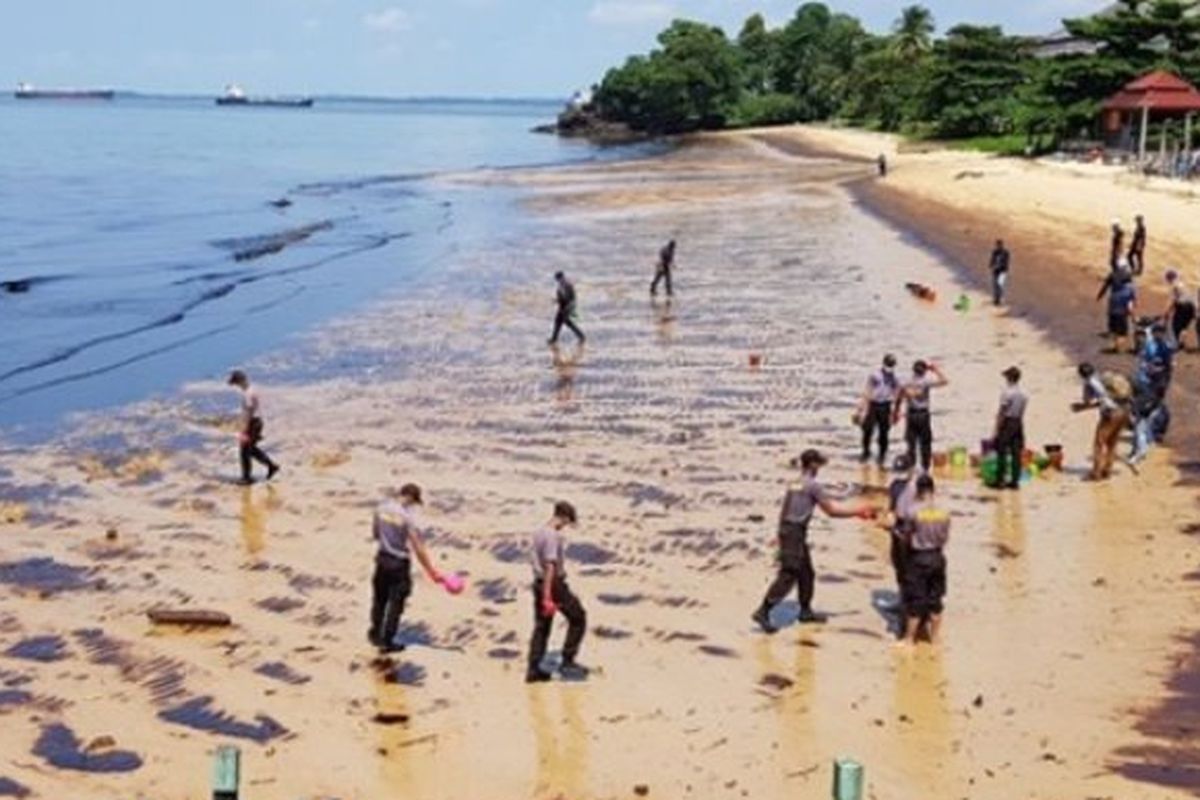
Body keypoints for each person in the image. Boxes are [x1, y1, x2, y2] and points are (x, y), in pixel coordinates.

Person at [751, 449, 876, 633]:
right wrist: (857, 512)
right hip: (795, 532)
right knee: (789, 574)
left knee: (807, 573)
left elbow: (785, 508)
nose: (820, 468)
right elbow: (831, 511)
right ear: (813, 465)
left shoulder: (794, 483)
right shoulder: (813, 486)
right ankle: (764, 610)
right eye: (819, 464)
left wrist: (779, 534)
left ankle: (805, 611)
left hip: (789, 530)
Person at [369, 483, 446, 654]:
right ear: (411, 497)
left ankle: (375, 634)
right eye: (414, 503)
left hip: (382, 558)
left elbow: (375, 534)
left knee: (379, 598)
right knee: (396, 602)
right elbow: (418, 547)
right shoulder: (407, 518)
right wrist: (431, 571)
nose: (413, 506)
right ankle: (388, 641)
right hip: (398, 562)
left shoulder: (381, 509)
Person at [527, 501, 589, 683]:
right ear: (563, 517)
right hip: (553, 584)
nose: (565, 527)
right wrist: (548, 596)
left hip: (538, 583)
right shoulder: (552, 536)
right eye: (567, 522)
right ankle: (568, 660)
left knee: (542, 627)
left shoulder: (538, 532)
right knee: (578, 617)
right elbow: (550, 566)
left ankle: (534, 669)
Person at [900, 475, 950, 646]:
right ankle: (935, 638)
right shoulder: (944, 511)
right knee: (936, 600)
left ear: (918, 491)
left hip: (919, 557)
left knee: (916, 600)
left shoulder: (913, 511)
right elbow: (945, 536)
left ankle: (909, 639)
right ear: (933, 490)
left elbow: (907, 535)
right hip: (938, 556)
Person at [1072, 363, 1133, 481]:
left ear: (1081, 375)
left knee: (1098, 444)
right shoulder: (1104, 378)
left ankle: (1096, 474)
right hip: (1124, 411)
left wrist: (1080, 407)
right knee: (1112, 443)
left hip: (1111, 415)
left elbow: (1089, 402)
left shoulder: (1089, 383)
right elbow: (1105, 399)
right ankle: (1107, 471)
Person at [894, 360, 949, 473]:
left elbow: (899, 397)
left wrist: (896, 412)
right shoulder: (925, 381)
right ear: (924, 371)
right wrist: (935, 370)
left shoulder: (906, 381)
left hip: (911, 414)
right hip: (923, 415)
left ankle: (910, 468)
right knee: (925, 443)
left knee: (911, 443)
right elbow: (944, 381)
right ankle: (925, 469)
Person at [228, 370, 279, 485]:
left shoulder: (247, 394)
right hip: (258, 422)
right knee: (251, 450)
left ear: (240, 381)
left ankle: (246, 478)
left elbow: (248, 412)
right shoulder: (253, 389)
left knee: (244, 451)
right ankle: (271, 466)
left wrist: (244, 430)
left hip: (252, 423)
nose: (236, 386)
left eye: (236, 383)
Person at [885, 454, 918, 610]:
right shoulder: (894, 486)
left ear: (912, 470)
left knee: (913, 568)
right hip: (897, 531)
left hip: (913, 533)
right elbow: (891, 508)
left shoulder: (918, 487)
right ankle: (902, 598)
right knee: (899, 564)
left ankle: (914, 603)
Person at [857, 355, 900, 466]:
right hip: (873, 405)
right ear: (884, 363)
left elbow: (897, 392)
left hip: (886, 406)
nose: (890, 367)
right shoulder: (875, 375)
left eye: (892, 365)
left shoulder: (894, 377)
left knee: (884, 433)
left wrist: (895, 412)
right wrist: (861, 408)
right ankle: (866, 452)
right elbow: (867, 390)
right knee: (867, 430)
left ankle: (882, 455)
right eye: (888, 364)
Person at [993, 366, 1028, 490]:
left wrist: (996, 429)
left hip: (1007, 422)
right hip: (1018, 422)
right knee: (1016, 453)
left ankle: (1000, 480)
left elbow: (1002, 411)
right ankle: (1015, 481)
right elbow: (1022, 411)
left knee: (1001, 451)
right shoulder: (1024, 394)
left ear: (1009, 378)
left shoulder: (1007, 392)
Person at [1100, 270, 1137, 354]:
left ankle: (1115, 347)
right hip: (1122, 313)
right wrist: (1134, 317)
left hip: (1112, 312)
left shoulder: (1115, 289)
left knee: (1114, 331)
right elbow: (1130, 306)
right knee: (1122, 333)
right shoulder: (1129, 290)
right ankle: (1120, 350)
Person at [548, 272, 585, 346]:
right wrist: (556, 300)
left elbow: (573, 298)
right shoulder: (560, 286)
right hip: (562, 306)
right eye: (557, 279)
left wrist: (570, 307)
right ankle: (554, 338)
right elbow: (561, 298)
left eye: (559, 279)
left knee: (567, 323)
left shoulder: (568, 285)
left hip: (567, 306)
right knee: (558, 322)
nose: (558, 281)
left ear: (562, 277)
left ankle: (581, 336)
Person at [1162, 269, 1195, 350]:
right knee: (1184, 326)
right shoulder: (1182, 284)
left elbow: (1172, 300)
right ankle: (1181, 343)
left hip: (1183, 307)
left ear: (1169, 278)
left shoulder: (1174, 286)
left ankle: (1175, 344)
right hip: (1191, 307)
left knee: (1175, 326)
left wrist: (1166, 312)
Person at [989, 239, 1011, 306]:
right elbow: (992, 259)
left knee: (1000, 284)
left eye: (999, 245)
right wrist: (991, 265)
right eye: (997, 245)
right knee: (995, 285)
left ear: (1002, 245)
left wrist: (1005, 268)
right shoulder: (995, 252)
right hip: (996, 271)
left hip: (1002, 270)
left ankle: (998, 298)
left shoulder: (1006, 252)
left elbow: (1007, 261)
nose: (998, 246)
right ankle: (996, 299)